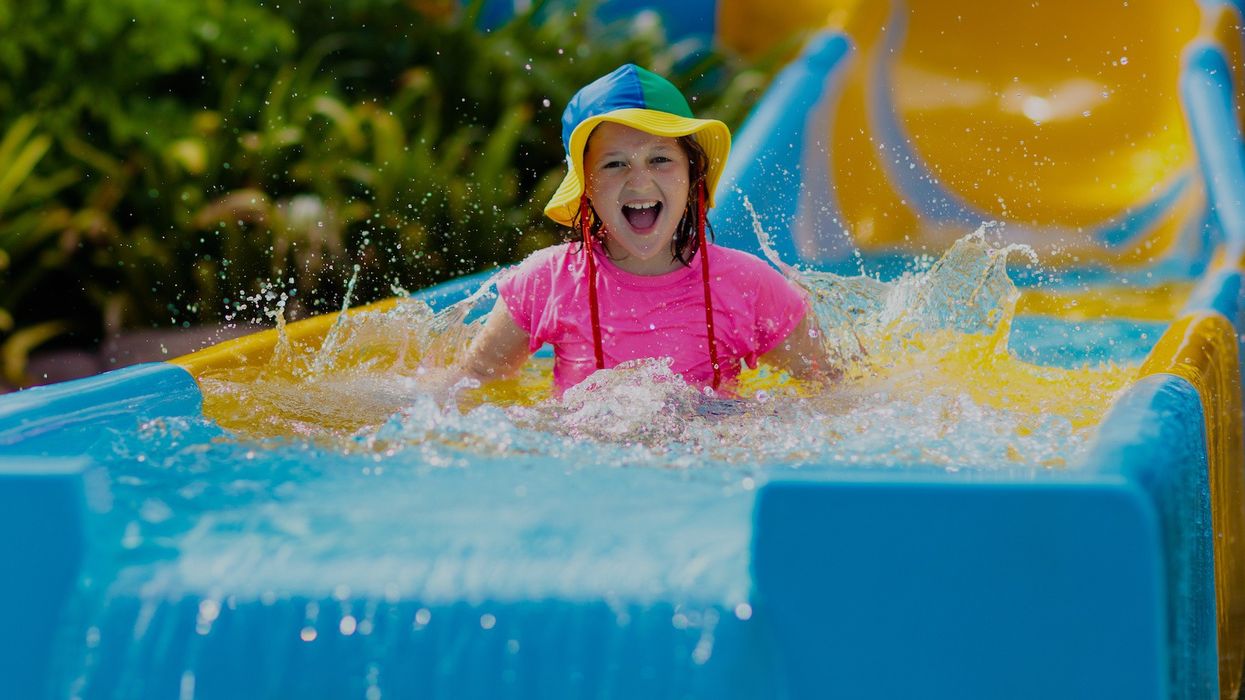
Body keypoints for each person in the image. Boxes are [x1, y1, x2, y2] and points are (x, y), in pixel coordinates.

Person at [454, 64, 833, 398]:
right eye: (615, 164)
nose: (640, 180)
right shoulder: (547, 282)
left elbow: (830, 387)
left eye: (660, 159)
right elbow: (474, 384)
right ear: (585, 185)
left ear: (692, 175)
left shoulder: (748, 284)